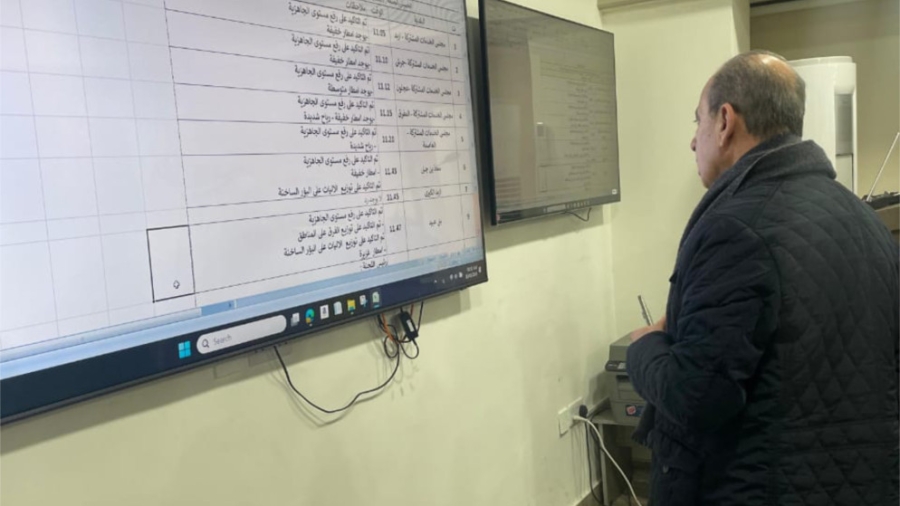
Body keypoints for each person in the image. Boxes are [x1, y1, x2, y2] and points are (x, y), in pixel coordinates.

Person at [626, 50, 899, 506]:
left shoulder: (734, 229)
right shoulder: (865, 218)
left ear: (725, 121)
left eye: (697, 121)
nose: (693, 142)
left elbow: (697, 398)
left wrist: (645, 346)